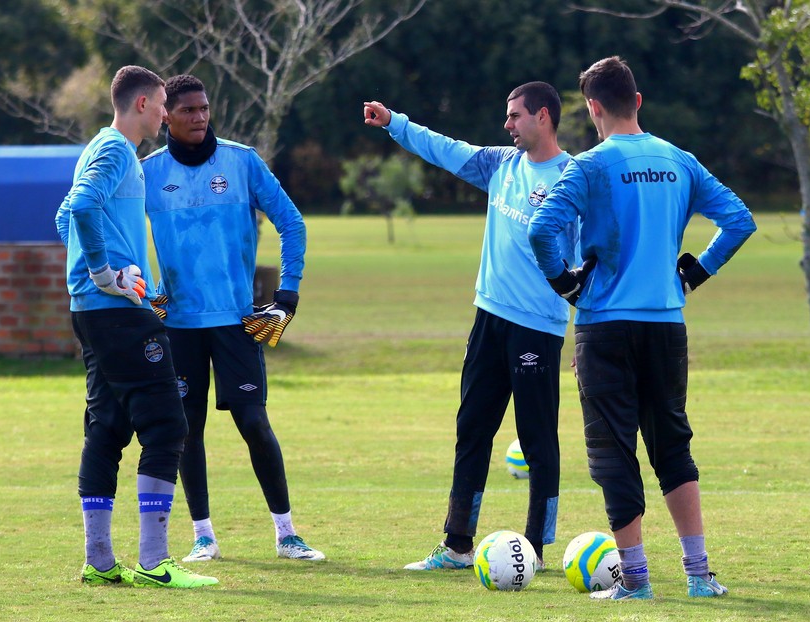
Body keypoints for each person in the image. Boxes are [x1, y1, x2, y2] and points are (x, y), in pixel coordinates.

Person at [528, 56, 757, 600]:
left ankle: (635, 581)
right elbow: (740, 220)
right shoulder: (679, 161)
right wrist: (697, 270)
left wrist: (565, 282)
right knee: (672, 446)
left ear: (593, 108)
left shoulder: (588, 167)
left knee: (612, 453)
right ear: (639, 101)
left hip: (605, 327)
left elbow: (542, 231)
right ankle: (699, 577)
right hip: (666, 326)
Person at [363, 82, 579, 570]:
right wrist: (394, 122)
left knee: (539, 439)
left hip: (538, 329)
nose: (507, 124)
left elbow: (587, 261)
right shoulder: (501, 163)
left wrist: (582, 331)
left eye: (515, 116)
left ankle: (537, 550)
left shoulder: (571, 179)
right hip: (489, 319)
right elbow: (445, 149)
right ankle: (458, 544)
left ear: (542, 117)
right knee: (472, 430)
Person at [141, 74, 324, 563]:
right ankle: (203, 535)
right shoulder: (147, 173)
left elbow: (292, 222)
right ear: (166, 117)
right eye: (188, 111)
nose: (200, 117)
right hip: (177, 324)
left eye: (204, 109)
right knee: (186, 430)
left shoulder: (242, 162)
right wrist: (146, 292)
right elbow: (117, 233)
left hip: (237, 322)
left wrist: (287, 296)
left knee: (254, 422)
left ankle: (287, 534)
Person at [55, 65, 217, 589]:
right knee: (168, 425)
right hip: (118, 312)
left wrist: (92, 269)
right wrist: (106, 272)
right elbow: (78, 207)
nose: (169, 114)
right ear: (144, 105)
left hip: (92, 310)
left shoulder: (99, 147)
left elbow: (64, 218)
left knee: (106, 427)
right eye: (164, 105)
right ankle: (154, 562)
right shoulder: (117, 150)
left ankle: (100, 563)